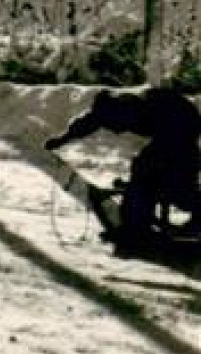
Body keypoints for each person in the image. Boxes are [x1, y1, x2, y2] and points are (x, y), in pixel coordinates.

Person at [46, 88, 200, 243]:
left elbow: (171, 136)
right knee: (145, 176)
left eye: (116, 127)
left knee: (170, 185)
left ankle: (139, 227)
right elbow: (87, 123)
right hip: (172, 132)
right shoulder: (109, 111)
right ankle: (136, 225)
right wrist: (62, 140)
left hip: (181, 130)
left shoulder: (130, 109)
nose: (117, 131)